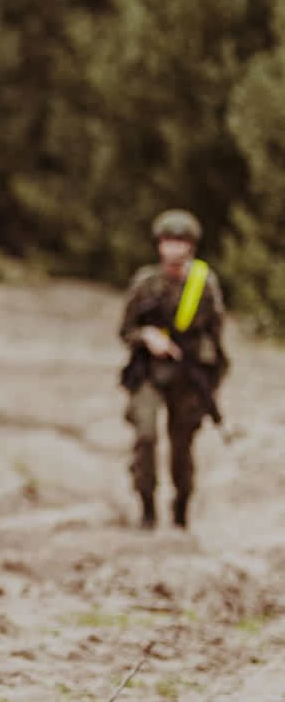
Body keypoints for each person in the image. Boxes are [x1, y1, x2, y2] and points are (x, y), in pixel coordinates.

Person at [118, 209, 228, 529]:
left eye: (180, 241)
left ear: (191, 246)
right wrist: (147, 337)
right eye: (168, 241)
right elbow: (125, 330)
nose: (173, 248)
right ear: (158, 245)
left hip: (188, 374)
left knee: (182, 446)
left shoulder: (204, 285)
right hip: (150, 372)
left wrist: (214, 381)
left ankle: (181, 507)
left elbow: (216, 335)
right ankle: (147, 506)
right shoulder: (146, 283)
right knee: (146, 436)